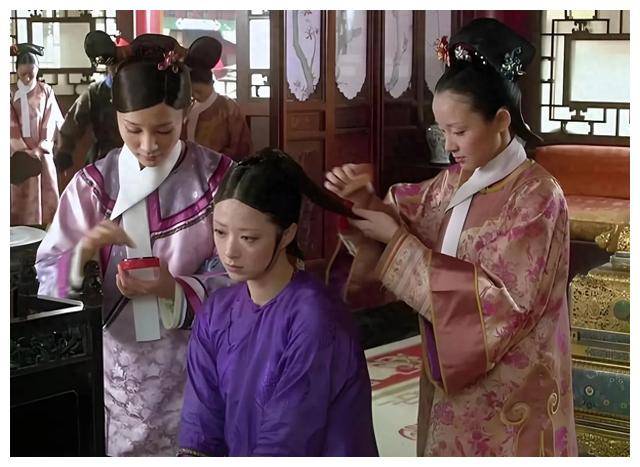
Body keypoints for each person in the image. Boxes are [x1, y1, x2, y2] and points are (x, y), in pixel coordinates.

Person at [325, 18, 577, 456]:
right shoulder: (454, 181)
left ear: (501, 121)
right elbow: (407, 217)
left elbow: (501, 308)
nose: (450, 144)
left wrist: (396, 242)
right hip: (450, 371)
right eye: (443, 131)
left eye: (459, 131)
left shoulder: (537, 196)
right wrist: (364, 202)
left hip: (514, 384)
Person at [35, 33, 234, 456]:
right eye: (133, 129)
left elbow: (243, 273)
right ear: (117, 117)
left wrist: (173, 289)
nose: (148, 144)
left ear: (186, 112)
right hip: (120, 372)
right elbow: (49, 275)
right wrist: (81, 258)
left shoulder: (218, 179)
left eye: (164, 129)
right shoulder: (92, 187)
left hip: (200, 363)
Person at [177, 148, 378, 456]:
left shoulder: (316, 318)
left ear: (286, 235)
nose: (229, 251)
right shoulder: (216, 311)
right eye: (220, 232)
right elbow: (200, 425)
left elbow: (289, 439)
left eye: (248, 238)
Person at [54, 31, 129, 177]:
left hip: (137, 158)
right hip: (103, 160)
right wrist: (63, 152)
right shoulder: (95, 92)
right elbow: (73, 122)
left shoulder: (141, 89)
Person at [10, 42, 64, 225]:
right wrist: (21, 150)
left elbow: (50, 118)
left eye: (30, 73)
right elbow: (9, 122)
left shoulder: (46, 91)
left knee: (45, 203)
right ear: (17, 69)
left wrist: (41, 147)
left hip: (42, 153)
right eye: (23, 72)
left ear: (37, 69)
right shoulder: (9, 92)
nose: (27, 77)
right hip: (15, 156)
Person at [182, 36, 253, 161]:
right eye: (192, 91)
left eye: (199, 91)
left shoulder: (229, 108)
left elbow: (241, 148)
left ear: (211, 83)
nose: (195, 95)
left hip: (218, 167)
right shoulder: (187, 107)